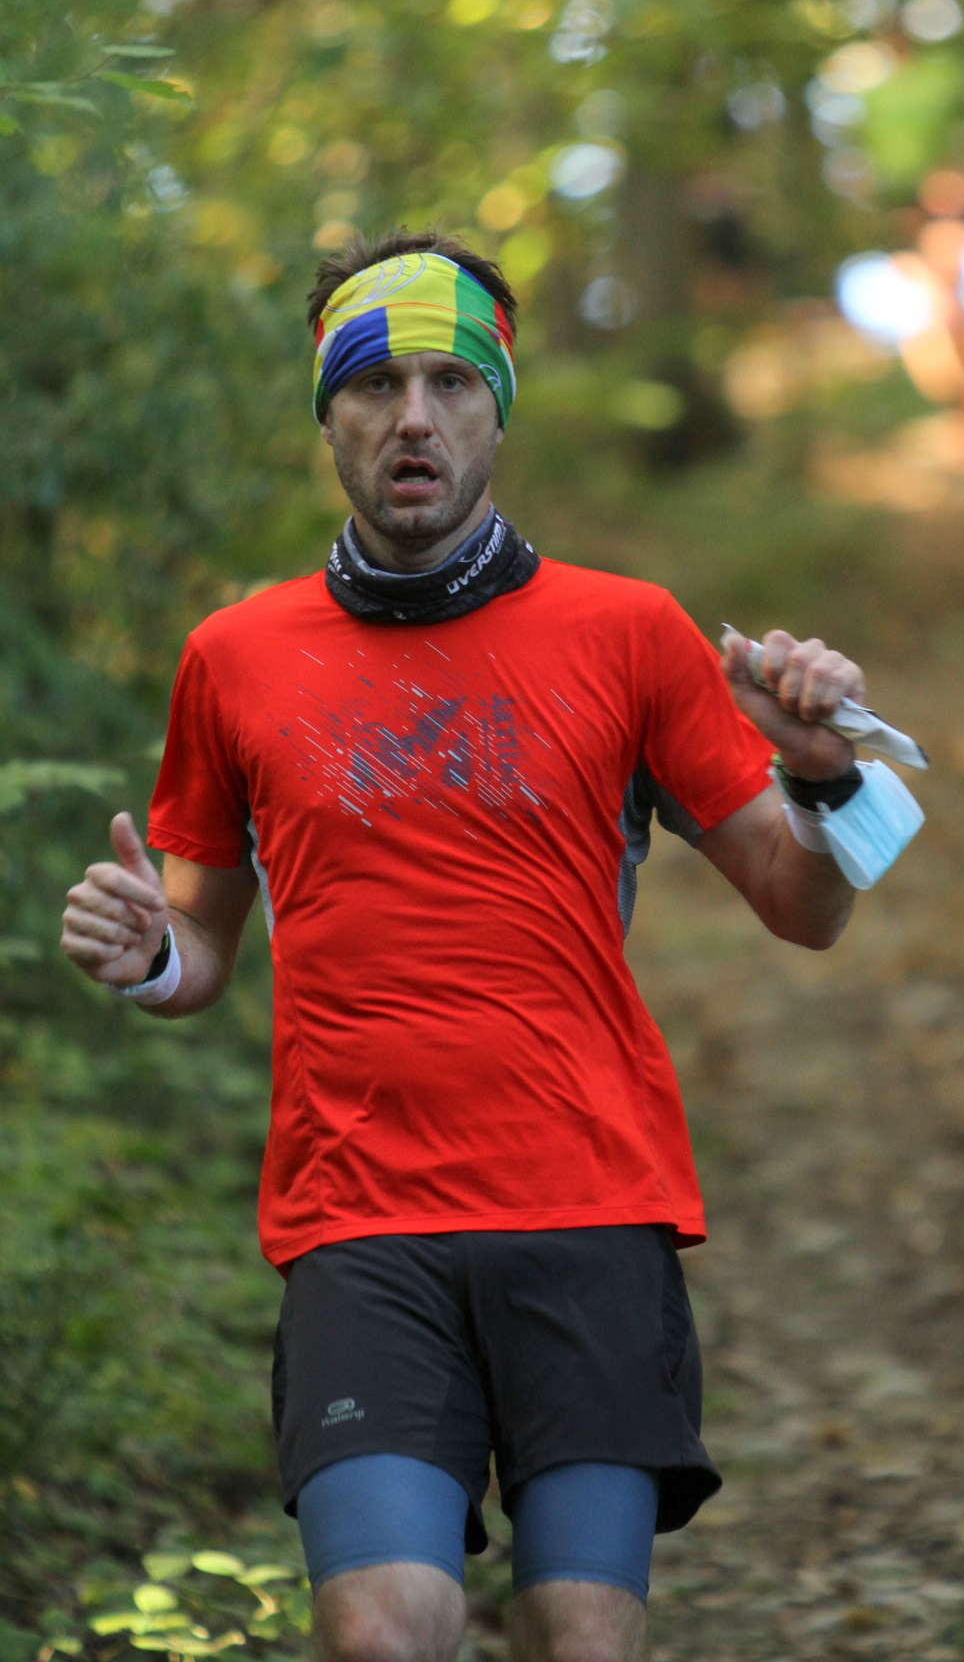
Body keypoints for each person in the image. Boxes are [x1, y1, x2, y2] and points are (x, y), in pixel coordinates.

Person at [60, 229, 871, 1662]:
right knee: (379, 1633)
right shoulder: (234, 657)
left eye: (450, 383)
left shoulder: (628, 633)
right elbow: (200, 949)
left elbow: (802, 910)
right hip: (359, 1217)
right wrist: (149, 958)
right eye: (375, 386)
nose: (414, 419)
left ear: (500, 409)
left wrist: (822, 779)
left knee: (579, 1635)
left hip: (588, 1202)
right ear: (329, 417)